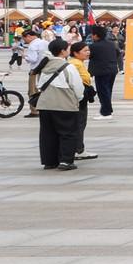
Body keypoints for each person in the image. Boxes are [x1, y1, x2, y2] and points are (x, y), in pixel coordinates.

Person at [35, 38, 83, 170]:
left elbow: (39, 85)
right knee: (68, 133)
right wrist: (79, 99)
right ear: (62, 51)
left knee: (48, 134)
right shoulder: (69, 67)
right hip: (64, 105)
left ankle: (50, 161)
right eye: (67, 48)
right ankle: (66, 161)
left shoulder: (44, 66)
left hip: (45, 105)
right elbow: (77, 87)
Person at [67, 40, 96, 162]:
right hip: (79, 97)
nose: (88, 52)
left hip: (79, 95)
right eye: (85, 50)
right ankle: (78, 150)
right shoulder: (75, 64)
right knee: (79, 123)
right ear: (75, 52)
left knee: (79, 123)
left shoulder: (78, 62)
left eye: (88, 50)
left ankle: (77, 148)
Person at [87, 24, 120, 120]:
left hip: (101, 71)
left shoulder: (93, 46)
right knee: (108, 91)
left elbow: (89, 56)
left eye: (92, 35)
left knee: (102, 92)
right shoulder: (112, 44)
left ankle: (106, 112)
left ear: (96, 35)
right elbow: (118, 53)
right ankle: (106, 110)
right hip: (112, 70)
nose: (92, 36)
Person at [21, 26, 46, 118]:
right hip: (45, 70)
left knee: (32, 91)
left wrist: (25, 57)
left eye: (24, 38)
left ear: (29, 36)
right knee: (43, 90)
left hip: (35, 70)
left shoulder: (32, 45)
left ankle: (34, 111)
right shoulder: (45, 42)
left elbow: (33, 59)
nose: (24, 41)